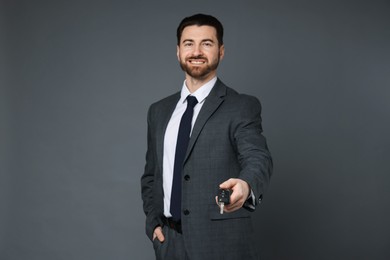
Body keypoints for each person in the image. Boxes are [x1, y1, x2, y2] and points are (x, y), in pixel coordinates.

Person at [141, 13, 273, 260]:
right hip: (169, 245)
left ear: (221, 51)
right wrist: (154, 224)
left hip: (221, 245)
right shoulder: (158, 111)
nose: (196, 51)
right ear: (178, 51)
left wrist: (245, 185)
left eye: (207, 43)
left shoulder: (241, 106)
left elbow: (258, 157)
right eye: (189, 43)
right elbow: (151, 175)